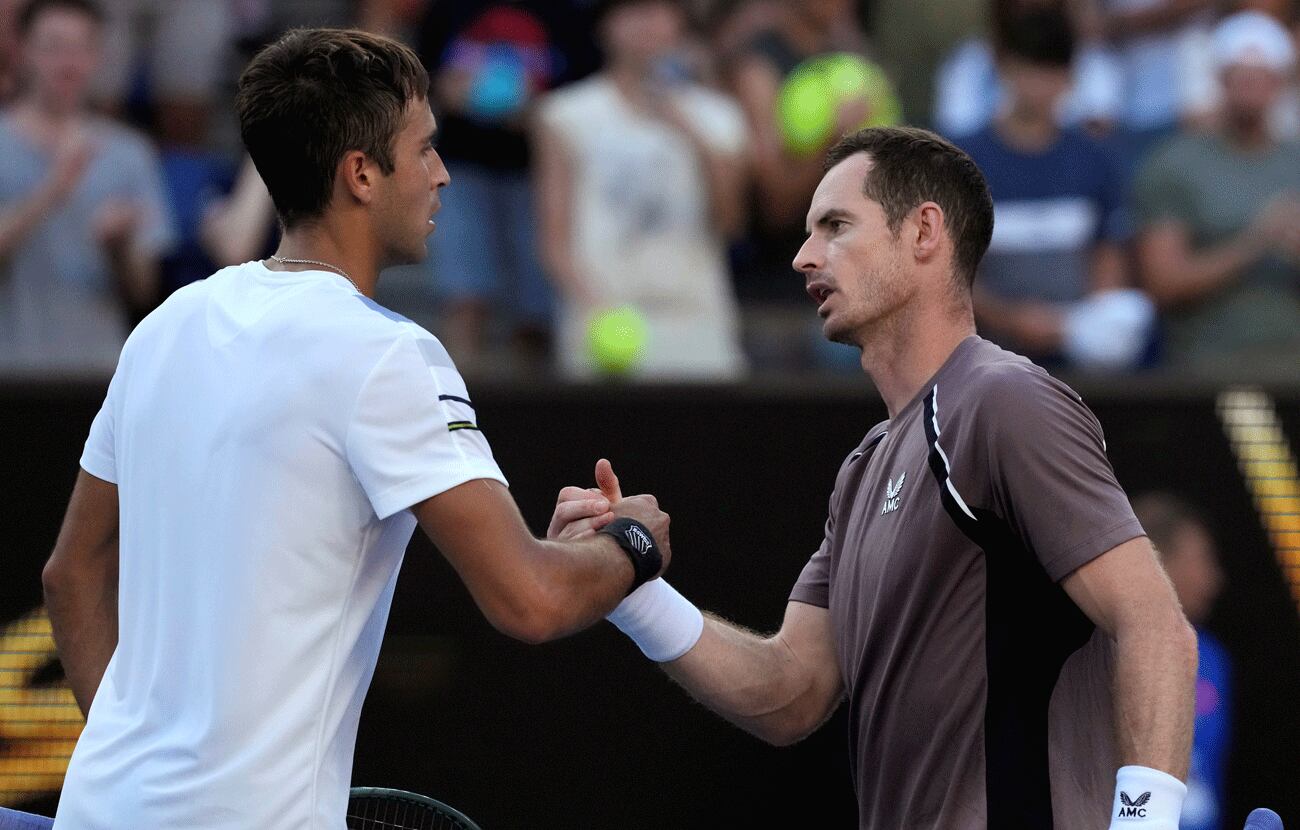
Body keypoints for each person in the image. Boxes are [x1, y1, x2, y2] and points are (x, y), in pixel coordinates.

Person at [41, 27, 671, 829]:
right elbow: (531, 600)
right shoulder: (389, 354)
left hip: (98, 809)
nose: (442, 173)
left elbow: (71, 573)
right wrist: (635, 544)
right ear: (362, 174)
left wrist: (128, 756)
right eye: (426, 149)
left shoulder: (166, 325)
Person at [554, 126, 1198, 828]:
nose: (804, 257)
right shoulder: (864, 469)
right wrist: (627, 581)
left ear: (924, 231)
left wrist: (1144, 824)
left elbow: (1154, 625)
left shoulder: (1003, 401)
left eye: (835, 226)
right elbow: (790, 692)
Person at [532, 0, 749, 379]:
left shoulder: (719, 117)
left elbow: (731, 223)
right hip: (603, 328)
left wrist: (691, 133)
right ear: (605, 25)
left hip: (697, 327)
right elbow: (555, 242)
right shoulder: (566, 114)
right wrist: (597, 309)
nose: (648, 23)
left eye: (660, 10)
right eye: (633, 10)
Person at [959, 4, 1152, 371]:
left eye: (1053, 73)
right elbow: (950, 271)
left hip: (1076, 346)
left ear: (1071, 78)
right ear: (1004, 69)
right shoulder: (962, 162)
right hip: (984, 348)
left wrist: (1079, 325)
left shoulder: (1096, 159)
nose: (1040, 87)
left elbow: (1108, 257)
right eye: (1030, 70)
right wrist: (1011, 319)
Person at [0, 0, 175, 375]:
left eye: (81, 47)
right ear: (23, 50)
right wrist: (52, 190)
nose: (68, 62)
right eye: (54, 46)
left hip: (99, 370)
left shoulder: (130, 153)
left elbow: (145, 290)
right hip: (12, 368)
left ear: (97, 57)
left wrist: (119, 248)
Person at [1132, 10, 1300, 373]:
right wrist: (1255, 243)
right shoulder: (1175, 163)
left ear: (1281, 82)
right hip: (1210, 369)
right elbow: (1163, 284)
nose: (1253, 87)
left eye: (1263, 77)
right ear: (1220, 79)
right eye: (1242, 77)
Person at [1132, 494, 1231, 830]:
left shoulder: (1215, 658)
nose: (1215, 579)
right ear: (1159, 562)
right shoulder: (1104, 651)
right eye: (1202, 560)